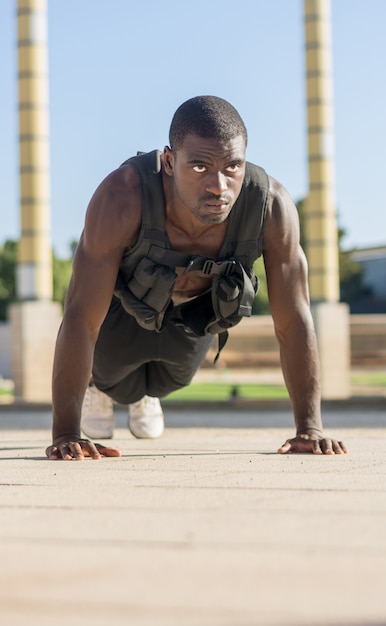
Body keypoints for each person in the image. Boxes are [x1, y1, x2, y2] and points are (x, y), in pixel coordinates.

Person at [46, 95, 348, 461]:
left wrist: (309, 428)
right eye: (200, 167)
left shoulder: (271, 207)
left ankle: (146, 396)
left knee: (168, 381)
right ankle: (99, 387)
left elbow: (293, 319)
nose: (219, 186)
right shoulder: (122, 197)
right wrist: (65, 432)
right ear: (170, 162)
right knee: (118, 381)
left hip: (191, 320)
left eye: (233, 166)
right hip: (120, 319)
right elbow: (80, 316)